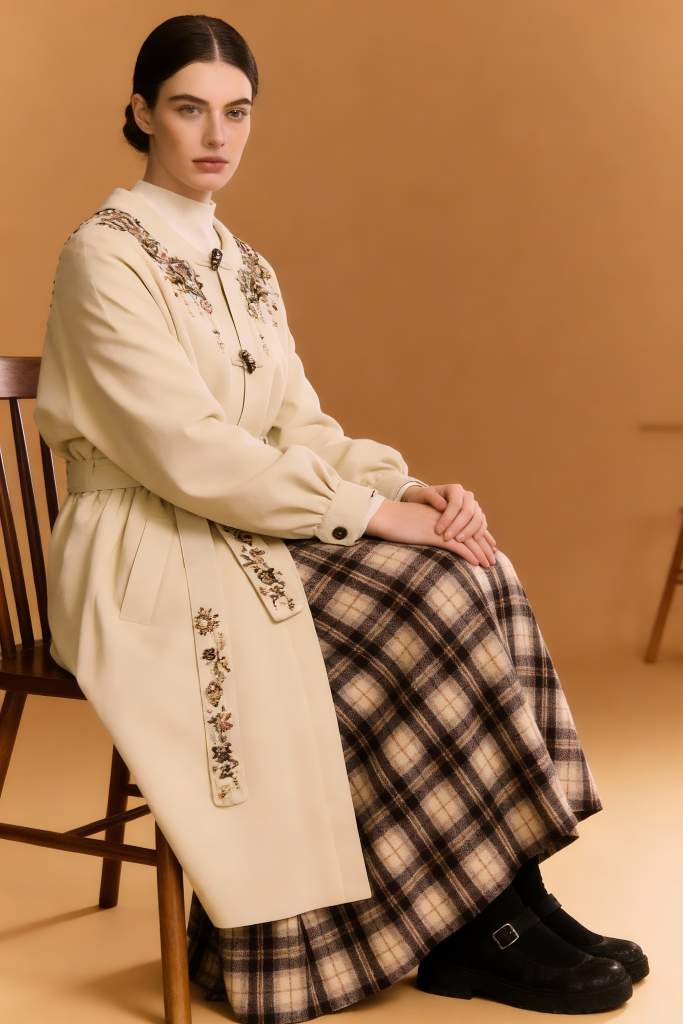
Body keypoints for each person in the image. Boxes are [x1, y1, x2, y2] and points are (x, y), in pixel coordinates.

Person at [35, 15, 647, 1023]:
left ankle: (506, 894)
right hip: (145, 544)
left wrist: (409, 492)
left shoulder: (244, 266)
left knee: (471, 569)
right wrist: (364, 516)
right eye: (188, 108)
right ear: (142, 113)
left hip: (238, 522)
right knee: (423, 601)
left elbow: (295, 424)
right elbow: (187, 452)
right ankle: (473, 923)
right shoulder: (105, 257)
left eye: (236, 112)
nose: (214, 135)